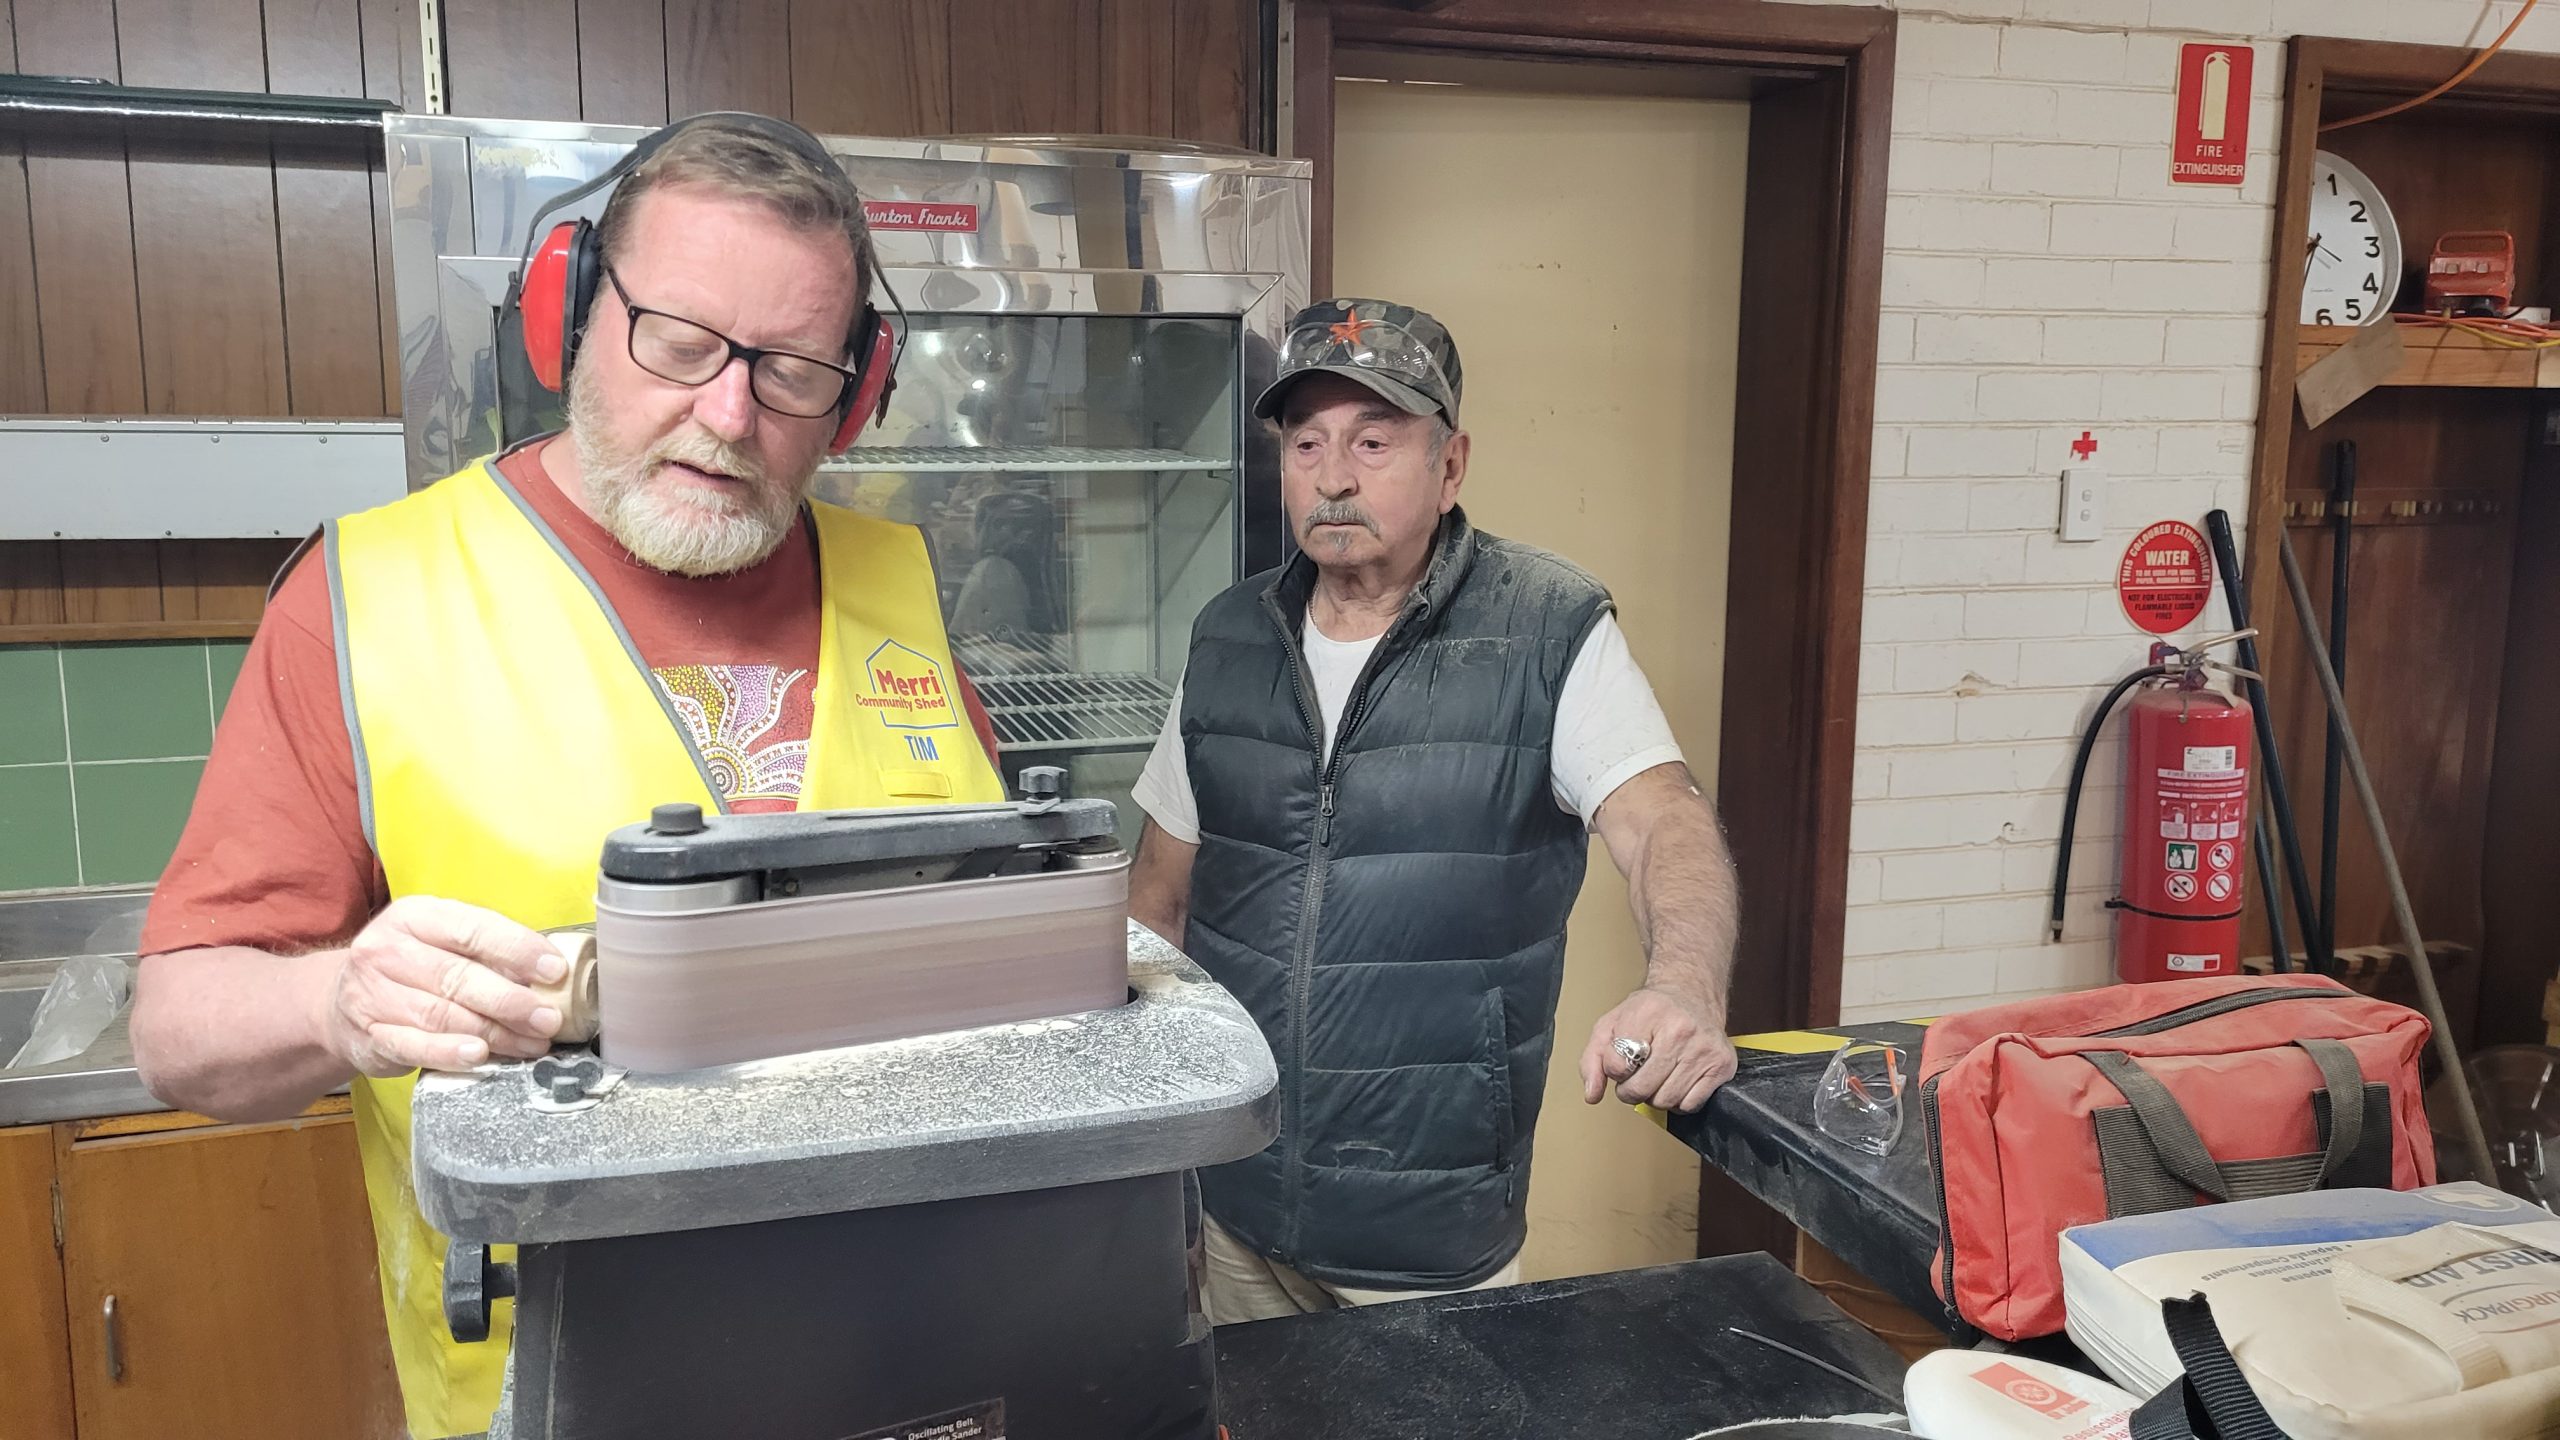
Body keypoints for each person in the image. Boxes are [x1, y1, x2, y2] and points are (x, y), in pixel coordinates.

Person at [126, 115, 1007, 1439]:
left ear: (857, 390)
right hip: (551, 1394)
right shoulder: (369, 600)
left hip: (914, 1366)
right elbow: (176, 1031)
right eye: (681, 342)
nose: (727, 415)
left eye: (790, 372)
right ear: (568, 314)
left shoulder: (905, 587)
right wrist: (335, 1000)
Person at [1127, 298, 1743, 1324]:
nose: (1333, 476)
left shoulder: (1547, 628)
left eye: (1373, 442)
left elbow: (1663, 823)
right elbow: (1158, 903)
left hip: (1425, 1230)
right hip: (1233, 1199)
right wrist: (1149, 1147)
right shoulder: (1228, 635)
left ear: (1450, 465)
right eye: (1307, 443)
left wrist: (1682, 987)